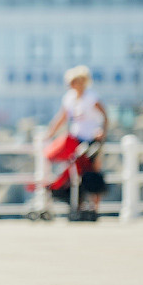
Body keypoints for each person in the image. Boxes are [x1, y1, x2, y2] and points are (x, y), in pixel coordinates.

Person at [44, 65, 109, 210]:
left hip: (92, 139)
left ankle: (95, 208)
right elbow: (62, 117)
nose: (72, 85)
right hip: (76, 139)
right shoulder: (69, 98)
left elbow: (104, 115)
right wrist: (49, 133)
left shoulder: (91, 97)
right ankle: (77, 205)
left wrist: (102, 131)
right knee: (74, 172)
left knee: (93, 172)